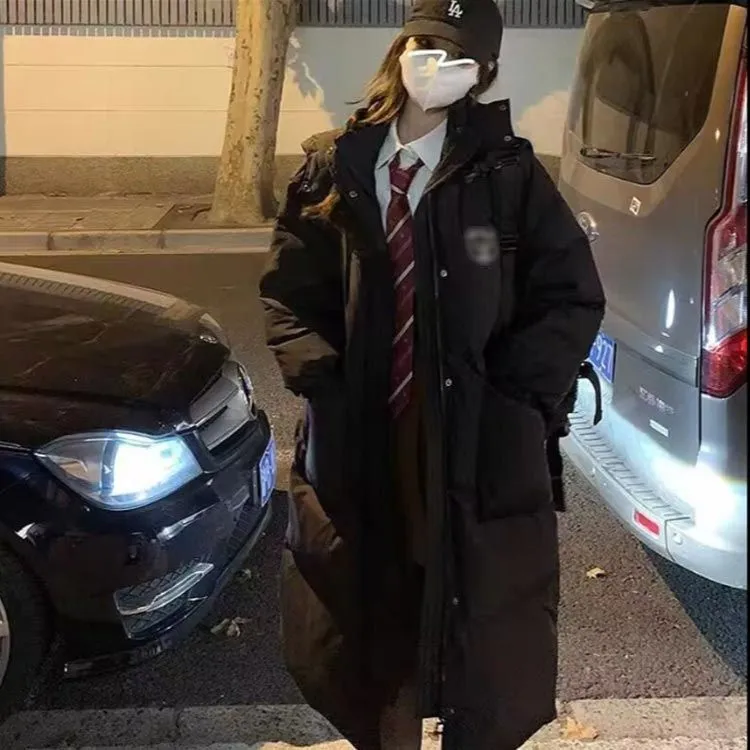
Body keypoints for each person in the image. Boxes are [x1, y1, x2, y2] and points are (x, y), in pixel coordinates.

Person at [259, 1, 606, 748]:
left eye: (459, 57)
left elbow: (570, 295)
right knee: (371, 618)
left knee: (472, 615)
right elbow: (290, 294)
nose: (438, 66)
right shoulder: (334, 165)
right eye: (427, 45)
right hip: (364, 433)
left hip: (472, 438)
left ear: (484, 73)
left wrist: (513, 396)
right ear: (401, 49)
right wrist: (323, 382)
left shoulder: (508, 175)